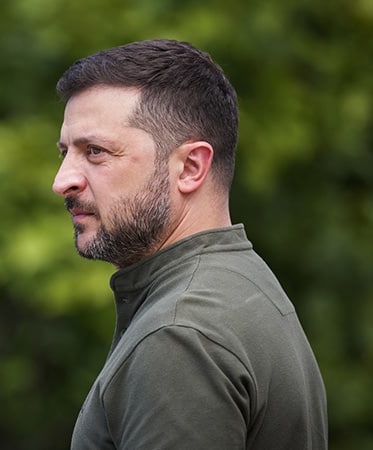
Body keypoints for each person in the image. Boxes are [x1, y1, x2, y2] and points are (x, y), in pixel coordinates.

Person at [53, 39, 327, 449]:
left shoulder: (180, 335)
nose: (62, 181)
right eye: (65, 152)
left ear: (191, 167)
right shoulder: (241, 285)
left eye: (95, 152)